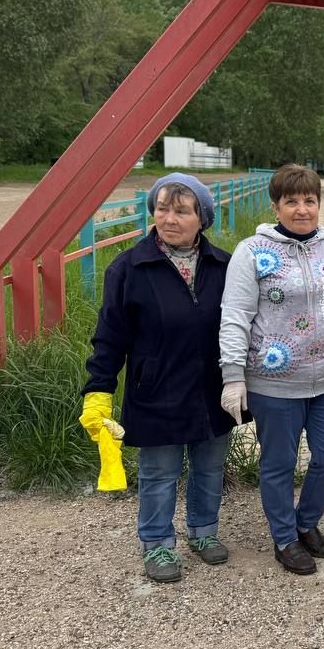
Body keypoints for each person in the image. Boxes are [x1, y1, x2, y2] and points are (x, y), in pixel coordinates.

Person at [219, 164, 324, 576]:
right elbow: (235, 316)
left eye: (309, 200)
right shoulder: (252, 252)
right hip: (274, 384)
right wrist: (233, 376)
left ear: (319, 204)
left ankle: (306, 522)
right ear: (276, 206)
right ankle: (285, 537)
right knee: (279, 463)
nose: (302, 209)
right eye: (291, 201)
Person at [81, 172, 235, 583]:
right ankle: (158, 543)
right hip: (157, 388)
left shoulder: (224, 265)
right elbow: (109, 335)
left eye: (182, 210)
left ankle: (204, 533)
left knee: (209, 466)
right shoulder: (130, 267)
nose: (169, 218)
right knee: (159, 471)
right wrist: (98, 388)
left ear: (202, 218)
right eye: (162, 208)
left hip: (212, 388)